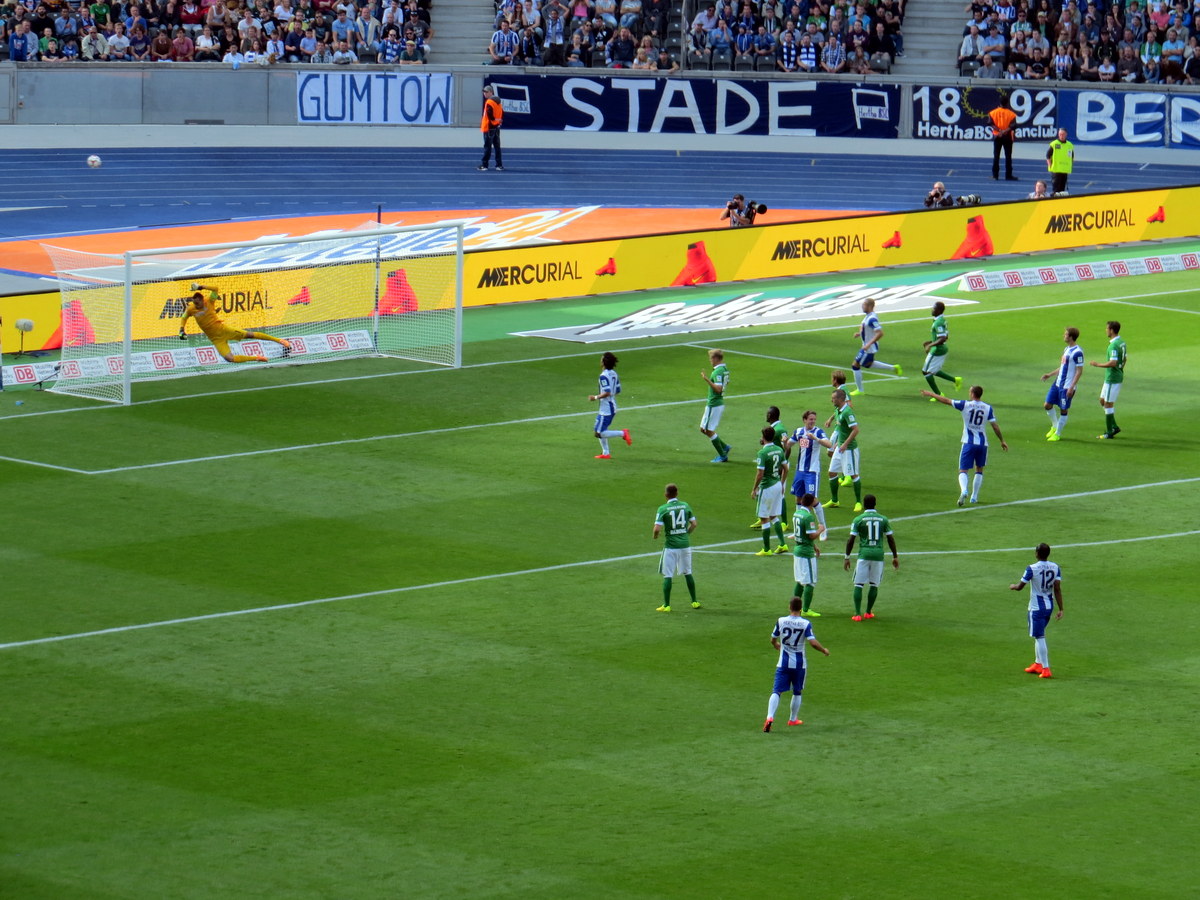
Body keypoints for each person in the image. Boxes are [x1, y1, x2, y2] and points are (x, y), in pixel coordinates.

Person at [921, 385, 1008, 505]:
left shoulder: (965, 405)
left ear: (972, 394)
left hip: (968, 442)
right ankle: (974, 497)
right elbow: (995, 426)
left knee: (963, 470)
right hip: (982, 444)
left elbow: (946, 400)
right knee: (979, 469)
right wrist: (1002, 440)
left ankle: (964, 490)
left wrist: (931, 394)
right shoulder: (988, 408)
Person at [179, 284, 291, 363]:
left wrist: (201, 287)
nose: (196, 305)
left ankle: (280, 341)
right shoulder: (191, 309)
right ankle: (257, 358)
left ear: (202, 299)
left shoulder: (209, 301)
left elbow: (216, 289)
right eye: (195, 303)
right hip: (216, 339)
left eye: (198, 303)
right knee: (230, 359)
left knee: (249, 335)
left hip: (224, 330)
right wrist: (181, 329)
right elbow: (184, 317)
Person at [763, 596, 829, 732]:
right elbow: (813, 643)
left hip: (783, 664)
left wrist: (776, 644)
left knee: (777, 691)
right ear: (800, 608)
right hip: (799, 664)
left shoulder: (781, 621)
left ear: (789, 607)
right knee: (797, 691)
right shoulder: (805, 623)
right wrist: (824, 650)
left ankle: (769, 717)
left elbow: (773, 639)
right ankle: (793, 719)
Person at [1008, 543, 1063, 679]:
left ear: (1037, 553)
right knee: (1039, 634)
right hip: (1049, 606)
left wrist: (1013, 586)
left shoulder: (1032, 568)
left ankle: (1046, 668)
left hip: (1037, 608)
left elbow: (1020, 587)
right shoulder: (1055, 567)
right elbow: (1057, 588)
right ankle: (1038, 664)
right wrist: (1061, 608)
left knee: (1039, 637)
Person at [844, 493, 898, 621]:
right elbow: (890, 539)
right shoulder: (883, 519)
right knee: (874, 584)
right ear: (875, 504)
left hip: (864, 554)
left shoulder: (858, 519)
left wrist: (847, 557)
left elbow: (851, 540)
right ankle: (868, 612)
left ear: (863, 505)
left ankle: (857, 614)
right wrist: (895, 556)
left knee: (859, 584)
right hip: (878, 555)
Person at [652, 483, 699, 612]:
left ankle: (666, 605)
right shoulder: (685, 505)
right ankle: (694, 601)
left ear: (665, 495)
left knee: (668, 575)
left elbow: (656, 529)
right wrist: (686, 534)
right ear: (677, 493)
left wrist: (655, 536)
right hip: (685, 546)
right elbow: (694, 524)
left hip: (671, 547)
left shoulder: (663, 509)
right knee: (688, 573)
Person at [786, 409, 832, 539]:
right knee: (798, 498)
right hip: (800, 471)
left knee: (812, 499)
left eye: (814, 419)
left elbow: (829, 444)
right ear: (804, 420)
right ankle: (798, 529)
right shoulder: (799, 431)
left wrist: (816, 439)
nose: (813, 421)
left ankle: (823, 528)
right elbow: (788, 445)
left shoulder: (818, 432)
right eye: (811, 419)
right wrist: (784, 441)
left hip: (812, 472)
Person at [850, 297, 902, 396]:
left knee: (855, 365)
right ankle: (893, 368)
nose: (862, 306)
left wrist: (868, 344)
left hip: (869, 348)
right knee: (868, 364)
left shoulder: (872, 319)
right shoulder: (868, 317)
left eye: (864, 304)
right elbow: (868, 330)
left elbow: (880, 333)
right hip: (867, 346)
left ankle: (860, 390)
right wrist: (859, 334)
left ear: (870, 306)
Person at [1041, 326, 1084, 441]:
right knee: (1047, 405)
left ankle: (1058, 434)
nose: (1063, 336)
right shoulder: (1066, 349)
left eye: (1065, 334)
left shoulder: (1078, 353)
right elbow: (1062, 367)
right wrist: (1050, 374)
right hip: (1058, 383)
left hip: (1067, 386)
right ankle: (1055, 426)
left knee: (1063, 410)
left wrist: (1071, 387)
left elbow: (1079, 371)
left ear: (1071, 337)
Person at [752, 425, 790, 556]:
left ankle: (767, 549)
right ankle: (782, 544)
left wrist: (754, 488)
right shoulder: (779, 450)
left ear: (763, 437)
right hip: (777, 484)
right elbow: (786, 468)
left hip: (767, 487)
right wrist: (782, 483)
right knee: (773, 516)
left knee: (764, 518)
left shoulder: (762, 453)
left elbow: (760, 474)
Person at [824, 388, 864, 512]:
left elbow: (856, 430)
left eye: (834, 398)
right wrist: (837, 444)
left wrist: (845, 444)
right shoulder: (838, 410)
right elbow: (842, 430)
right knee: (832, 472)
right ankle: (834, 500)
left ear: (841, 399)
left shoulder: (847, 412)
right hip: (840, 447)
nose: (831, 400)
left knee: (853, 475)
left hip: (849, 449)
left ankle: (858, 502)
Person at [587, 350, 631, 459]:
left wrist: (595, 397)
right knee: (599, 430)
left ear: (603, 362)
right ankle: (606, 453)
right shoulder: (614, 374)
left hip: (607, 409)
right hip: (610, 406)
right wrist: (610, 396)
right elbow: (618, 390)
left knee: (599, 433)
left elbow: (607, 392)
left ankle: (623, 433)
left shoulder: (603, 376)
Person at [1089, 319, 1126, 439]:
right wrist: (1120, 369)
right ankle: (1114, 426)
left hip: (1112, 379)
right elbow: (1124, 359)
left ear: (1112, 330)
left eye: (1107, 328)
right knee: (1102, 401)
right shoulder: (1121, 342)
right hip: (1112, 377)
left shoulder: (1113, 345)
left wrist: (1097, 364)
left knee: (1108, 404)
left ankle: (1109, 432)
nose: (1106, 330)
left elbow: (1113, 362)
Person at [790, 493, 825, 617]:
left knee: (800, 581)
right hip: (806, 554)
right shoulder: (808, 517)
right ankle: (805, 609)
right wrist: (820, 529)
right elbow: (811, 535)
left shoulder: (797, 513)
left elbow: (802, 534)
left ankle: (795, 608)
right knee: (810, 582)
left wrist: (814, 546)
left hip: (797, 551)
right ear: (812, 503)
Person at [921, 300, 964, 399]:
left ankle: (938, 395)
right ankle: (956, 380)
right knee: (934, 370)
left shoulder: (939, 322)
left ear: (939, 310)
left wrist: (930, 345)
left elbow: (943, 338)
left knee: (926, 372)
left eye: (934, 308)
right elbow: (945, 336)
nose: (932, 310)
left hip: (937, 350)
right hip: (940, 348)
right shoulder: (941, 320)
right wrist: (930, 341)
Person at [700, 349, 732, 462]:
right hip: (716, 404)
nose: (710, 361)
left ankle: (723, 455)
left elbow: (718, 389)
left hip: (714, 404)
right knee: (703, 429)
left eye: (711, 358)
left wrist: (707, 379)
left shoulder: (718, 371)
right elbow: (726, 382)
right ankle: (725, 447)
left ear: (716, 358)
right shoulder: (725, 370)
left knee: (708, 430)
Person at [989, 94, 1019, 181]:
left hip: (997, 136)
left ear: (1000, 102)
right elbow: (1013, 126)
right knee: (1008, 156)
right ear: (1007, 103)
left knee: (996, 156)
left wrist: (999, 131)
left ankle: (995, 175)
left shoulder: (993, 113)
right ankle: (1008, 175)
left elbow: (990, 123)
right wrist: (1004, 131)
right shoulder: (1011, 114)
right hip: (1007, 136)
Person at [478, 85, 504, 172]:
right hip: (496, 127)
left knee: (487, 147)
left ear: (491, 92)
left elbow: (489, 114)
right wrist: (498, 121)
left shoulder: (489, 102)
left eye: (486, 92)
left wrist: (494, 120)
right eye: (484, 92)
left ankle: (484, 165)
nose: (484, 94)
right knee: (497, 147)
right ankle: (499, 165)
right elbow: (502, 112)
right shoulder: (498, 102)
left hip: (489, 127)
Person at [1046, 127, 1075, 194]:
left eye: (1063, 134)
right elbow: (1048, 155)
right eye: (1060, 134)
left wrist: (1070, 165)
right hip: (1056, 170)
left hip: (1064, 170)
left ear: (1066, 134)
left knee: (1062, 190)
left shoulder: (1070, 145)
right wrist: (1050, 165)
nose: (1061, 136)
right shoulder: (1054, 144)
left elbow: (1071, 156)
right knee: (1056, 190)